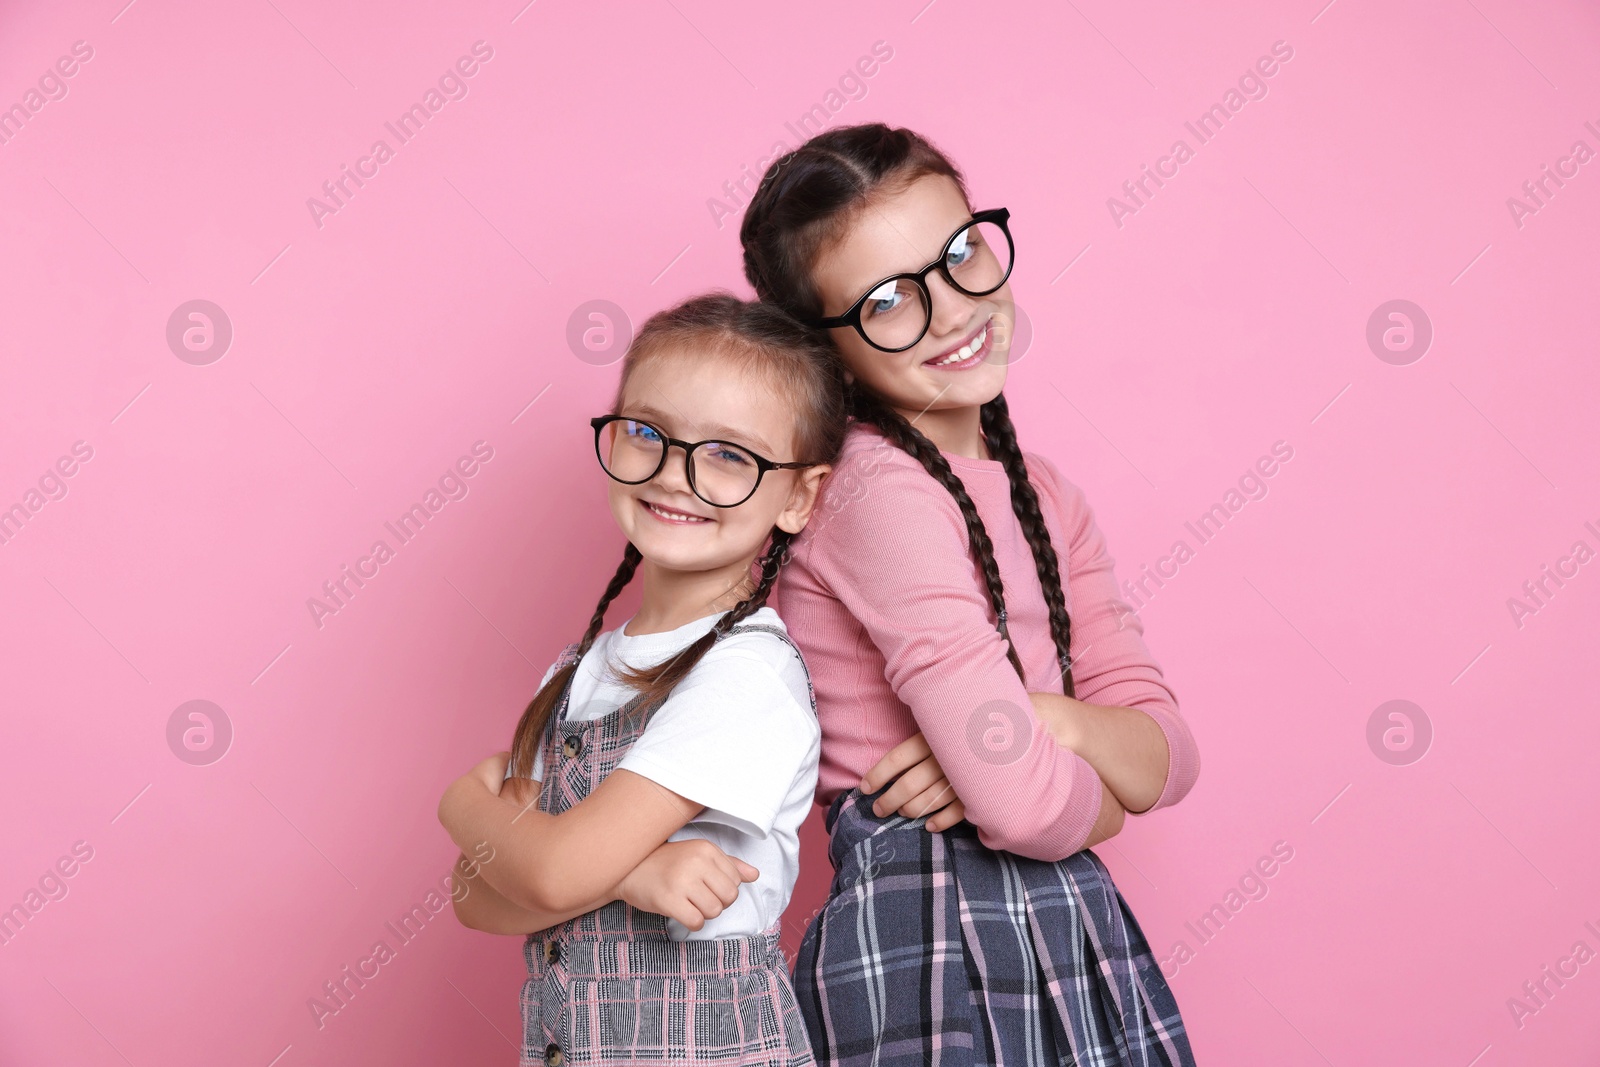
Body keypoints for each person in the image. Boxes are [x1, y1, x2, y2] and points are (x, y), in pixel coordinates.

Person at [739, 123, 1202, 1066]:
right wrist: (1083, 791)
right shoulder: (877, 493)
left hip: (1067, 921)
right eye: (887, 302)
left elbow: (1170, 756)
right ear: (826, 350)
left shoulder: (1045, 493)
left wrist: (1051, 722)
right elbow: (1028, 808)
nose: (950, 308)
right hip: (931, 932)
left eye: (960, 253)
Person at [437, 292, 847, 1067]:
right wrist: (635, 873)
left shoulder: (747, 673)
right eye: (648, 432)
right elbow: (477, 897)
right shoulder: (575, 670)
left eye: (730, 453)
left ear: (798, 494)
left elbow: (547, 875)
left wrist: (460, 801)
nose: (674, 473)